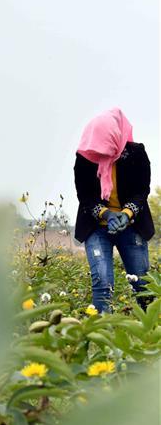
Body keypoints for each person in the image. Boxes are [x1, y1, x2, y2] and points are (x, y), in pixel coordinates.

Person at [74, 108, 154, 313]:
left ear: (116, 138)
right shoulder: (86, 157)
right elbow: (85, 196)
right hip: (97, 228)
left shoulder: (136, 154)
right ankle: (103, 335)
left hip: (132, 226)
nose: (103, 153)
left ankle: (152, 335)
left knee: (143, 285)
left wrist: (126, 214)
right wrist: (107, 214)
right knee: (102, 285)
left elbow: (141, 191)